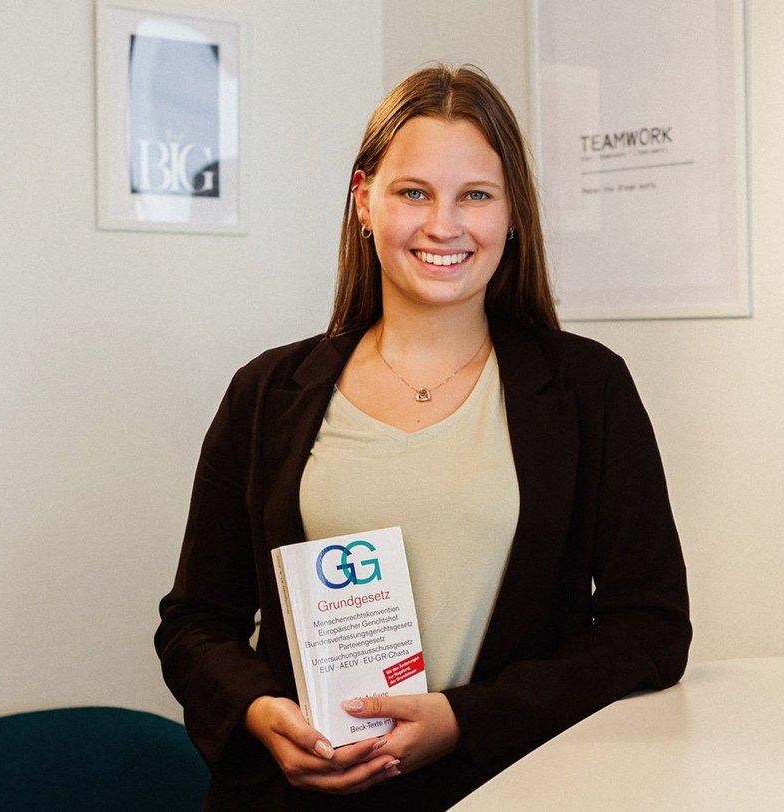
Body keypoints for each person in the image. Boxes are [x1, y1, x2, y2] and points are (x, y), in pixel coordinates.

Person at [155, 64, 691, 810]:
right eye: (414, 192)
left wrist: (465, 721)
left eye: (475, 194)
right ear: (364, 200)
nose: (445, 224)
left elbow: (651, 628)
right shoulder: (266, 393)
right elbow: (195, 623)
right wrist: (256, 710)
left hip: (511, 788)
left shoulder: (587, 390)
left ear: (512, 215)